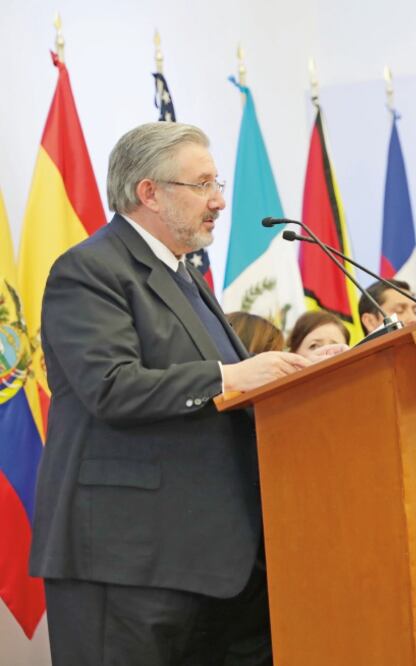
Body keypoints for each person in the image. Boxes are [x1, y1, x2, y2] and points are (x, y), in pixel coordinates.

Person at [31, 122, 316, 665]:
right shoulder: (90, 270)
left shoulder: (184, 277)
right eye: (203, 184)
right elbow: (110, 387)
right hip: (126, 562)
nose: (219, 201)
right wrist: (230, 376)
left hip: (212, 561)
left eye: (220, 183)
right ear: (150, 193)